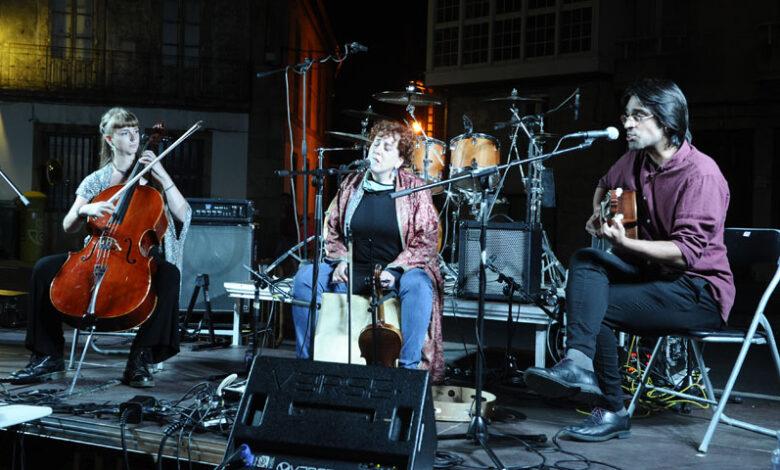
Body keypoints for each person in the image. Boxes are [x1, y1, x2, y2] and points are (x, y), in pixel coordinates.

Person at [524, 79, 734, 441]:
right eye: (626, 116)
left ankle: (613, 410)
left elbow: (685, 254)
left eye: (639, 115)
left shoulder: (701, 174)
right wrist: (599, 213)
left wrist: (627, 243)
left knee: (598, 307)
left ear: (667, 120)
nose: (628, 124)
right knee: (587, 259)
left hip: (698, 290)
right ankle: (578, 362)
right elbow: (604, 183)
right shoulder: (634, 160)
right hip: (654, 275)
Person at [7, 107, 192, 388]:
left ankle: (140, 359)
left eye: (136, 132)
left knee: (169, 276)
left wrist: (162, 174)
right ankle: (48, 356)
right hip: (94, 254)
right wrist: (86, 209)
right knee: (43, 269)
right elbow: (68, 224)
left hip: (136, 259)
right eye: (125, 132)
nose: (134, 138)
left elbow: (184, 215)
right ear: (109, 139)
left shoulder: (153, 181)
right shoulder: (96, 181)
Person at [291, 120, 444, 379]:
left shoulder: (415, 189)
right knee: (305, 278)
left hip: (397, 274)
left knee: (419, 284)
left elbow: (427, 238)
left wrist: (396, 270)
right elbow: (333, 228)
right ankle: (307, 364)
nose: (377, 151)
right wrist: (341, 260)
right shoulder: (351, 184)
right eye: (375, 144)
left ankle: (408, 374)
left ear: (399, 160)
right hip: (354, 271)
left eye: (386, 147)